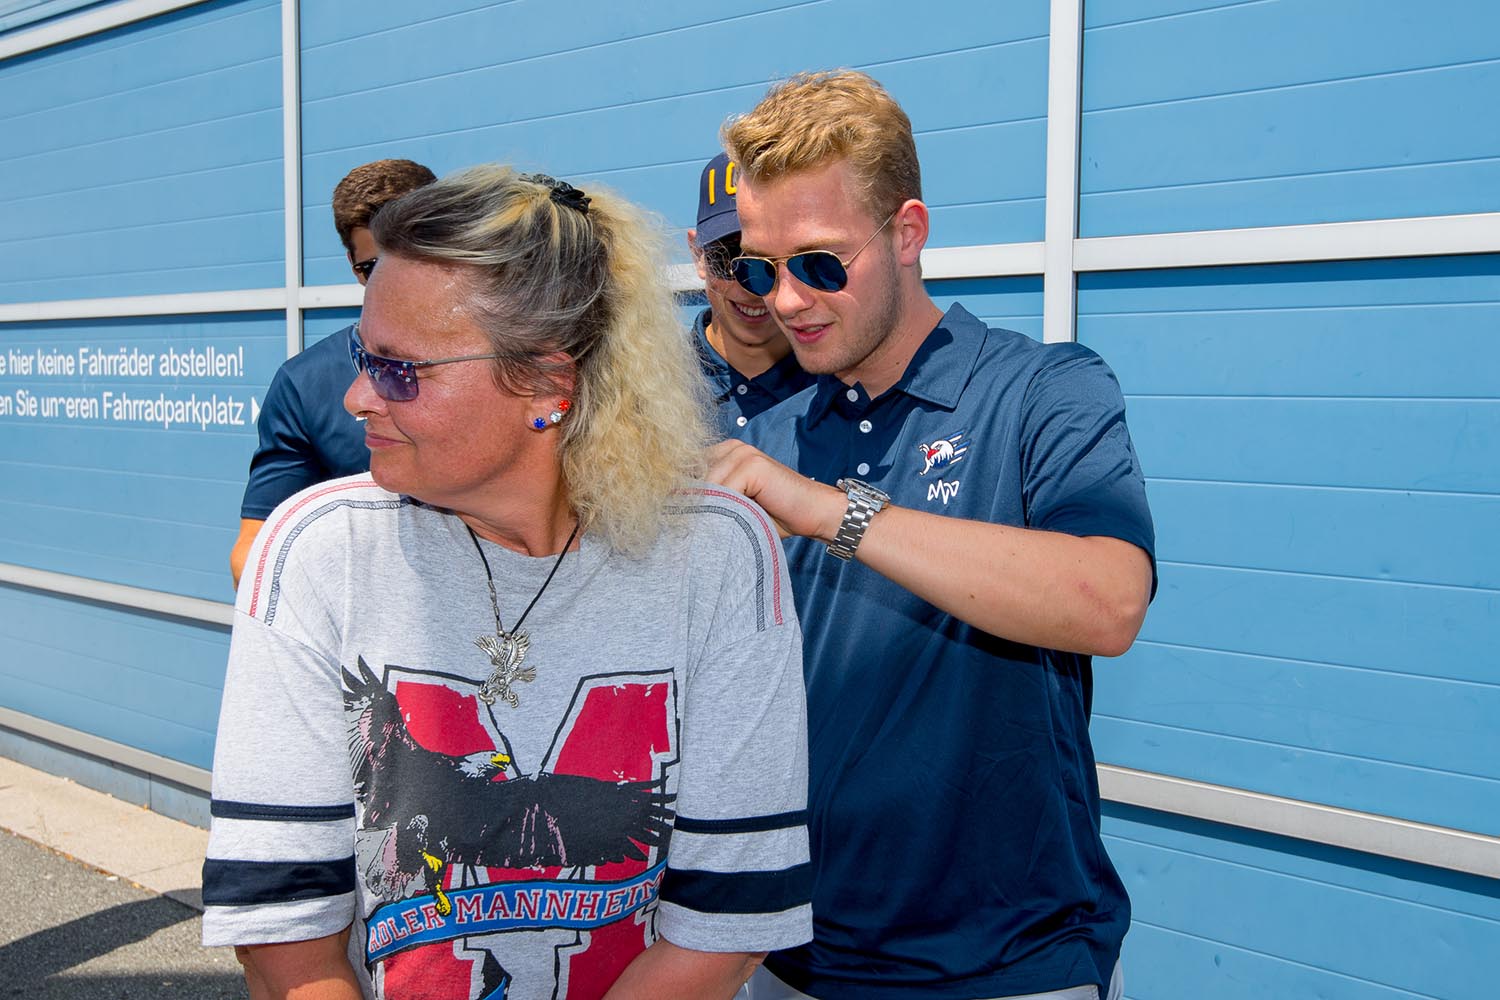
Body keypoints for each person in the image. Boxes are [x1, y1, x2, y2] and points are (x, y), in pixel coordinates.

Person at [202, 166, 813, 1000]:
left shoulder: (717, 553)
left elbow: (726, 926)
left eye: (399, 369)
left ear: (547, 385)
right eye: (362, 355)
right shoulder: (318, 550)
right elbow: (284, 930)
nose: (355, 398)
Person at [708, 71, 1156, 1000]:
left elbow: (1108, 602)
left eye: (820, 264)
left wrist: (826, 509)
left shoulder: (1042, 391)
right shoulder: (773, 440)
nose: (785, 300)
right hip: (791, 962)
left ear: (907, 233)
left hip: (1006, 967)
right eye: (759, 268)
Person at [229, 158, 437, 587]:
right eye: (374, 267)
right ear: (351, 265)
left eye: (412, 256)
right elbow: (253, 553)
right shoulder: (305, 384)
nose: (394, 281)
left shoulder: (511, 352)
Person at [687, 152, 811, 436]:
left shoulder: (842, 385)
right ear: (698, 255)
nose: (751, 285)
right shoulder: (644, 390)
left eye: (770, 261)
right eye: (730, 257)